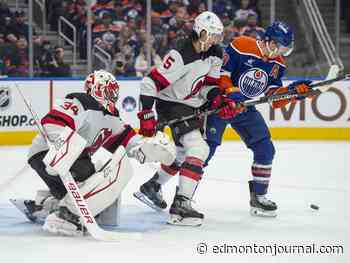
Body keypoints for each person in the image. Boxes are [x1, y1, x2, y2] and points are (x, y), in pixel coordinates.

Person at [17, 70, 175, 236]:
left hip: (62, 159)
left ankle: (48, 204)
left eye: (114, 92)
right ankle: (68, 215)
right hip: (49, 154)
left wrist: (145, 148)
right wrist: (61, 151)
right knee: (106, 172)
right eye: (109, 91)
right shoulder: (82, 102)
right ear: (97, 89)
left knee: (98, 200)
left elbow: (126, 141)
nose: (113, 96)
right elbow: (53, 122)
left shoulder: (112, 118)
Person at [133, 11, 241, 226]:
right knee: (199, 149)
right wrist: (146, 114)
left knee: (183, 154)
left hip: (190, 105)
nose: (214, 41)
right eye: (211, 35)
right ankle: (182, 205)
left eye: (217, 37)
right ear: (199, 32)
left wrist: (218, 100)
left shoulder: (216, 53)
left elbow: (209, 85)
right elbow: (149, 83)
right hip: (171, 104)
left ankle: (152, 186)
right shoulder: (180, 53)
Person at [205, 21, 313, 217]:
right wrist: (231, 92)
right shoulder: (242, 45)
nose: (281, 52)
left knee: (265, 148)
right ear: (269, 41)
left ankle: (259, 198)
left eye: (285, 49)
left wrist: (292, 93)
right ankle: (174, 192)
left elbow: (274, 99)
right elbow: (222, 74)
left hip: (244, 108)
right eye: (280, 47)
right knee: (204, 150)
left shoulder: (278, 64)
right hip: (221, 104)